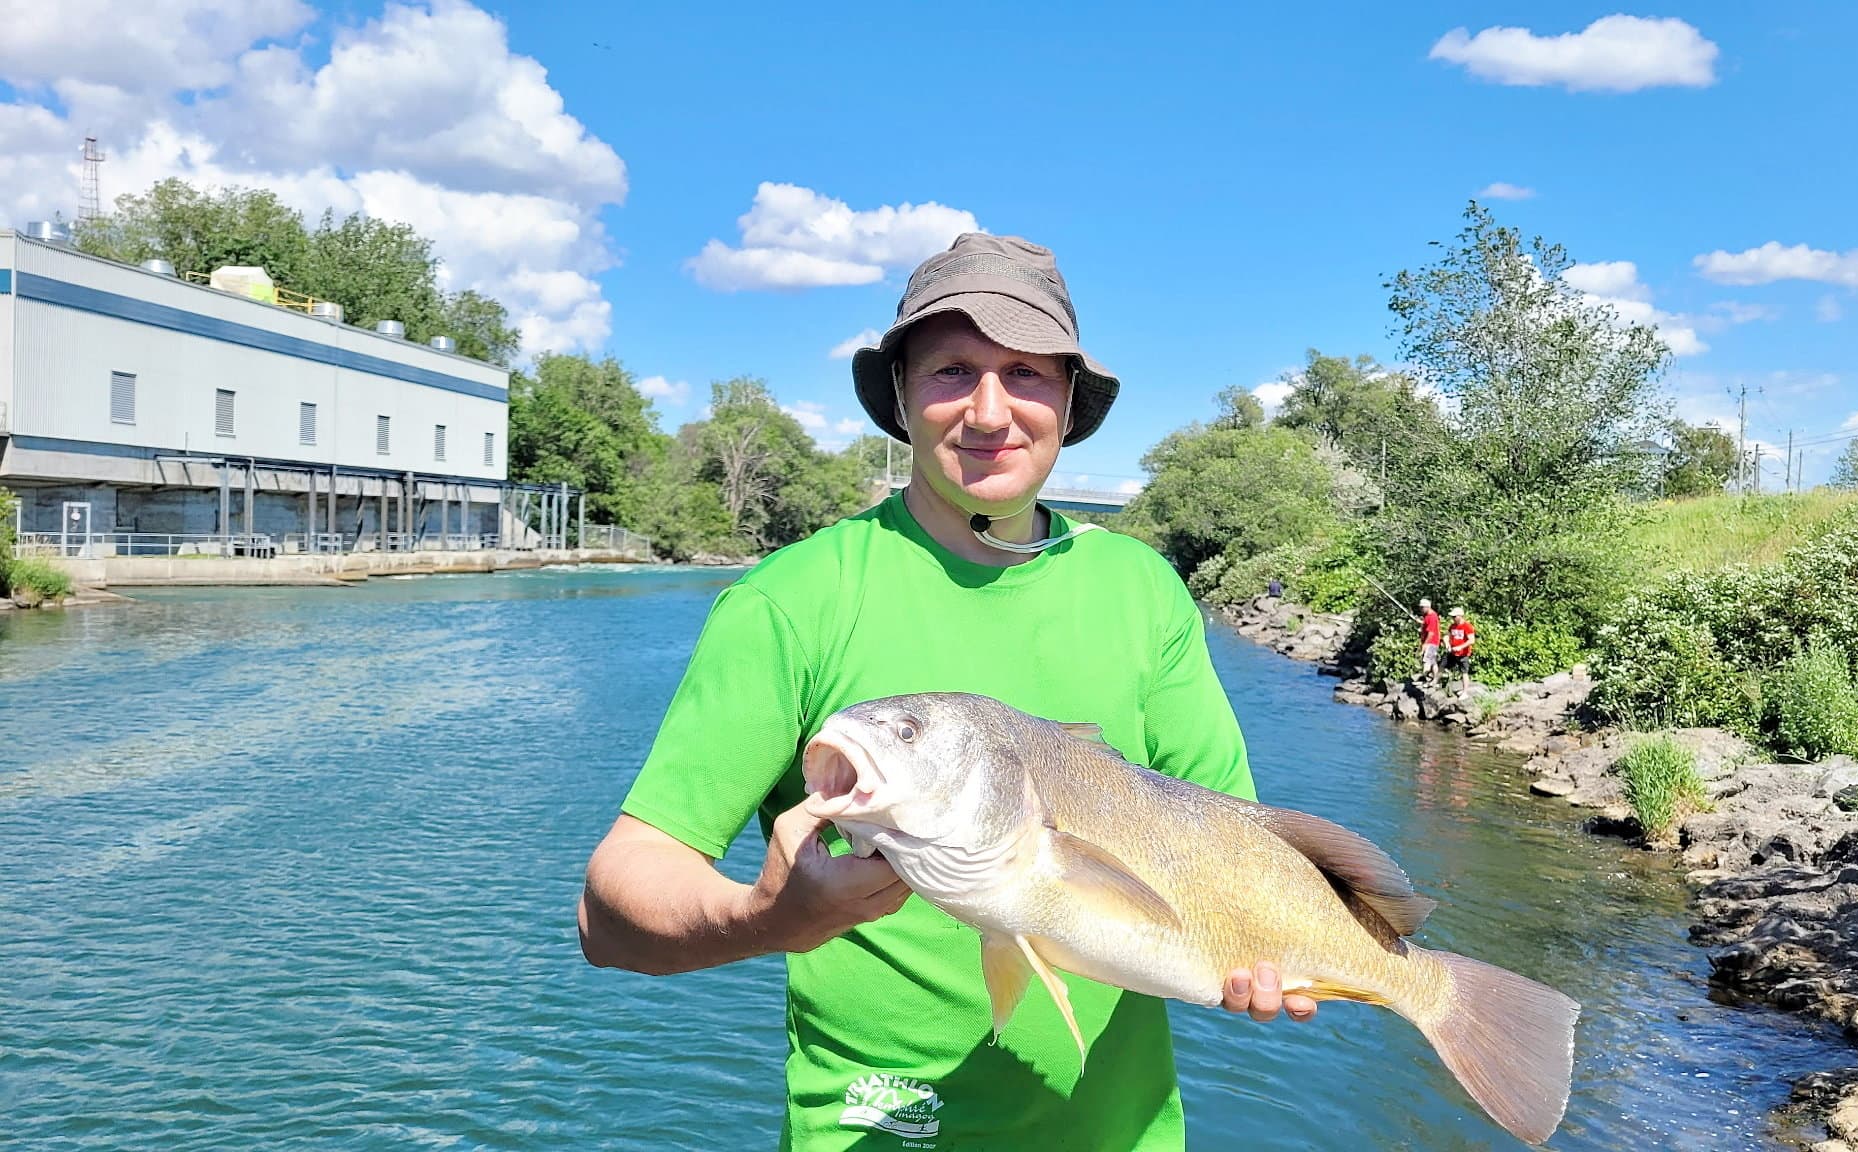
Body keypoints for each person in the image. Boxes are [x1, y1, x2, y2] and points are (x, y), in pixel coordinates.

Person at [577, 233, 1314, 1151]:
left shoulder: (1143, 589)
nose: (990, 411)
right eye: (953, 370)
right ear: (900, 396)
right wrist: (765, 918)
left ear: (1071, 401)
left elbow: (1231, 836)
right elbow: (610, 912)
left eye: (1028, 375)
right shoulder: (793, 600)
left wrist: (1271, 948)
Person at [1445, 608, 1476, 693]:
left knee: (1464, 673)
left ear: (1460, 616)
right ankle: (1436, 683)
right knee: (1443, 666)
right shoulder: (1452, 626)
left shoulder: (1467, 626)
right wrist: (1447, 643)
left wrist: (1461, 647)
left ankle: (1465, 692)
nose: (1453, 618)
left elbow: (1472, 640)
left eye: (1454, 617)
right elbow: (1447, 636)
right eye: (1452, 617)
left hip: (1463, 654)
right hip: (1453, 652)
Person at [1418, 598, 1441, 685]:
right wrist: (1421, 622)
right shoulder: (1427, 616)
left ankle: (1425, 678)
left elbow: (1431, 633)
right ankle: (1435, 679)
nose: (1421, 610)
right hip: (1430, 642)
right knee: (1433, 662)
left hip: (1431, 643)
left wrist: (1425, 644)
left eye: (1422, 608)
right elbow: (1426, 625)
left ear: (1427, 607)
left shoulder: (1432, 617)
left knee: (1426, 661)